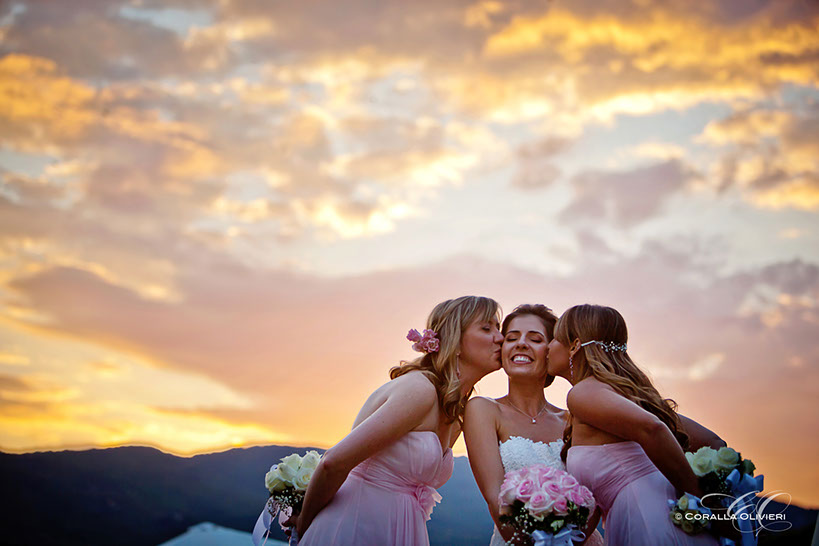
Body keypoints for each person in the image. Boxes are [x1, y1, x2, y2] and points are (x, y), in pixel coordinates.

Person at [288, 296, 503, 546]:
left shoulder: (456, 413)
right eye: (487, 328)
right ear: (455, 340)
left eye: (498, 329)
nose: (499, 337)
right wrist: (304, 524)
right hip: (353, 527)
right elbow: (332, 463)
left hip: (399, 532)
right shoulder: (420, 390)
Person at [550, 304, 724, 546]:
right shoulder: (627, 396)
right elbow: (714, 443)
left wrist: (699, 502)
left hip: (648, 523)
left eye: (554, 339)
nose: (548, 347)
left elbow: (652, 429)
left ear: (575, 346)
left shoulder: (583, 394)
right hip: (658, 516)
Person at [464, 304, 603, 545]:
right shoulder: (483, 409)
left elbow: (597, 495)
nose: (520, 344)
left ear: (552, 351)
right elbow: (494, 496)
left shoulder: (574, 419)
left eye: (535, 339)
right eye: (511, 338)